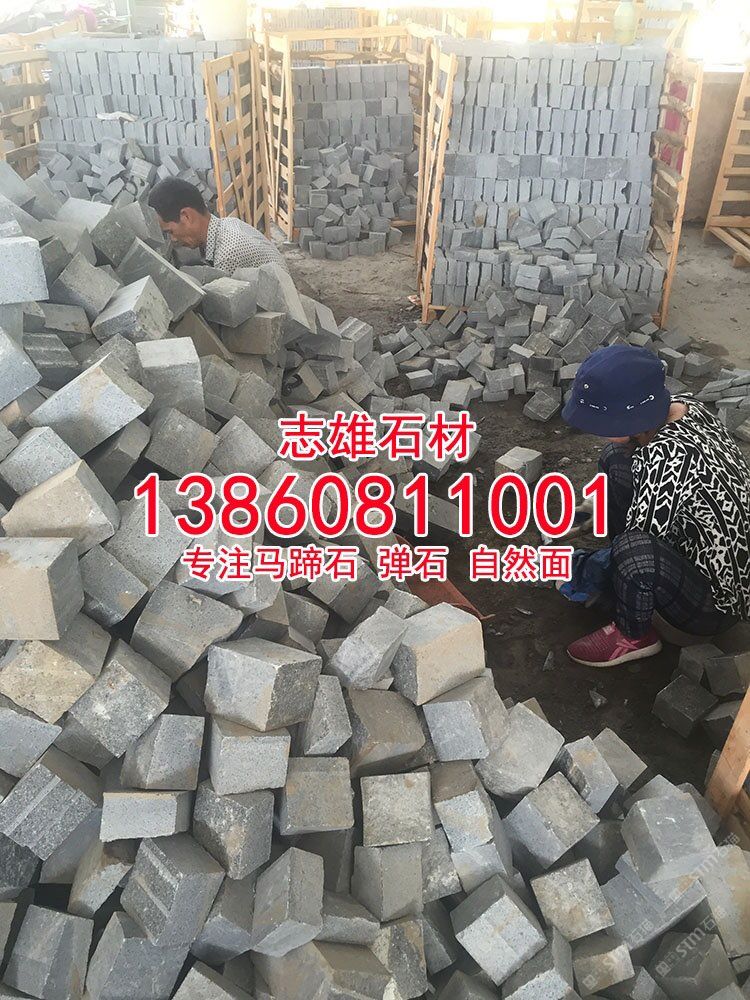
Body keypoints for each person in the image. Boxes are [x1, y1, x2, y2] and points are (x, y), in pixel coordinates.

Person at [560, 344, 750, 668]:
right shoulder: (687, 406)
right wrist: (599, 506)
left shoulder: (664, 459)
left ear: (631, 418)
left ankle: (634, 635)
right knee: (615, 457)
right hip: (714, 558)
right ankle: (601, 520)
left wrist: (582, 569)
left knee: (632, 552)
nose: (597, 432)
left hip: (714, 607)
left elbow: (635, 547)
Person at [147, 177, 286, 272]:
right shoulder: (228, 223)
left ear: (186, 216)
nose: (173, 239)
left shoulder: (227, 256)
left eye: (170, 231)